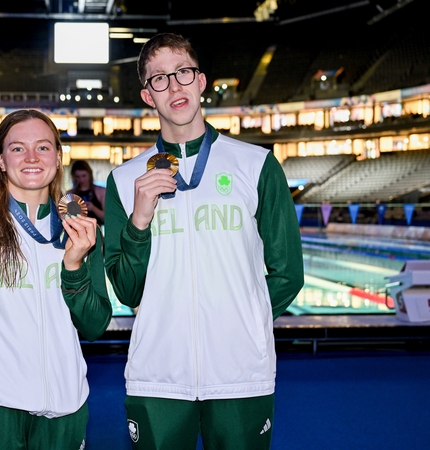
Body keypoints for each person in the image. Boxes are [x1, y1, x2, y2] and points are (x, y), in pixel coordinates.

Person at [103, 33, 304, 450]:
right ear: (147, 96)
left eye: (183, 73)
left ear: (201, 81)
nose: (174, 85)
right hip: (157, 374)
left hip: (241, 372)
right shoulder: (124, 181)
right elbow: (126, 289)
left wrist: (244, 324)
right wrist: (140, 219)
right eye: (160, 79)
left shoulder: (257, 165)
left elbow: (288, 273)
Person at [0, 109, 113, 450]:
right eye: (17, 148)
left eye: (43, 147)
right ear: (0, 159)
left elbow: (95, 325)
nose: (31, 157)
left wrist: (73, 267)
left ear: (58, 158)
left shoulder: (84, 232)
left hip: (65, 409)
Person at [67, 159, 107, 226]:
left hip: (96, 231)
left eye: (84, 176)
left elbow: (107, 218)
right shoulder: (70, 193)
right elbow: (66, 218)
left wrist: (93, 208)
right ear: (74, 177)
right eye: (78, 177)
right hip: (76, 231)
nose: (81, 180)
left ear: (89, 174)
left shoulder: (101, 191)